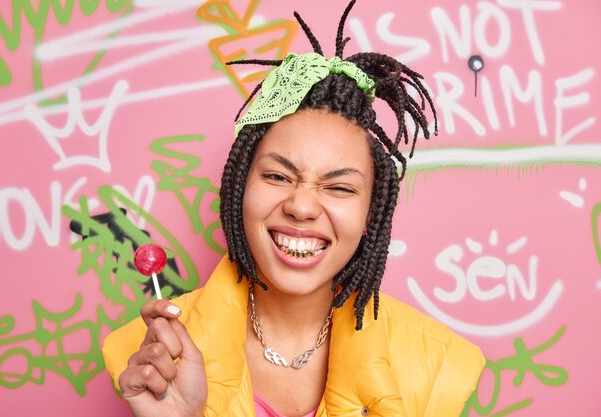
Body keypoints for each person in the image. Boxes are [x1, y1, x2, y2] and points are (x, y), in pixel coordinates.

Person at [102, 2, 485, 416]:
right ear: (238, 191)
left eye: (339, 187)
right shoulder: (154, 357)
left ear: (370, 216)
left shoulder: (438, 367)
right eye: (278, 177)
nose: (301, 206)